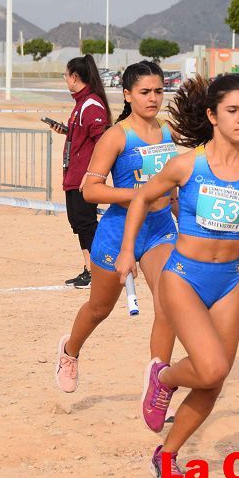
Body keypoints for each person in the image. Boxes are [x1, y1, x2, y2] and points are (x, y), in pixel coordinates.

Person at [116, 74, 239, 478]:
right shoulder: (187, 165)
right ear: (213, 116)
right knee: (211, 366)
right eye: (233, 111)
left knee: (214, 379)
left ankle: (167, 456)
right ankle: (161, 378)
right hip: (183, 278)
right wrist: (128, 251)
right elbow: (143, 198)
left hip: (228, 282)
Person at [53, 60, 179, 394]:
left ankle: (158, 384)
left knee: (169, 304)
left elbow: (173, 181)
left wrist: (179, 207)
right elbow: (89, 188)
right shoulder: (116, 136)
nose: (152, 98)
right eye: (144, 92)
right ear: (127, 94)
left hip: (160, 230)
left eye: (158, 91)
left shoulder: (168, 132)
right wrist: (137, 195)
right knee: (99, 309)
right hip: (118, 232)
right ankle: (70, 351)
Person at [58, 54, 111, 288]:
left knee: (87, 222)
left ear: (74, 77)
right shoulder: (80, 103)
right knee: (79, 223)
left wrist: (92, 174)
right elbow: (82, 136)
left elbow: (103, 142)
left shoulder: (91, 104)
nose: (65, 80)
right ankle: (89, 268)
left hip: (84, 177)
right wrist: (64, 130)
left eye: (66, 75)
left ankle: (99, 269)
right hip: (72, 174)